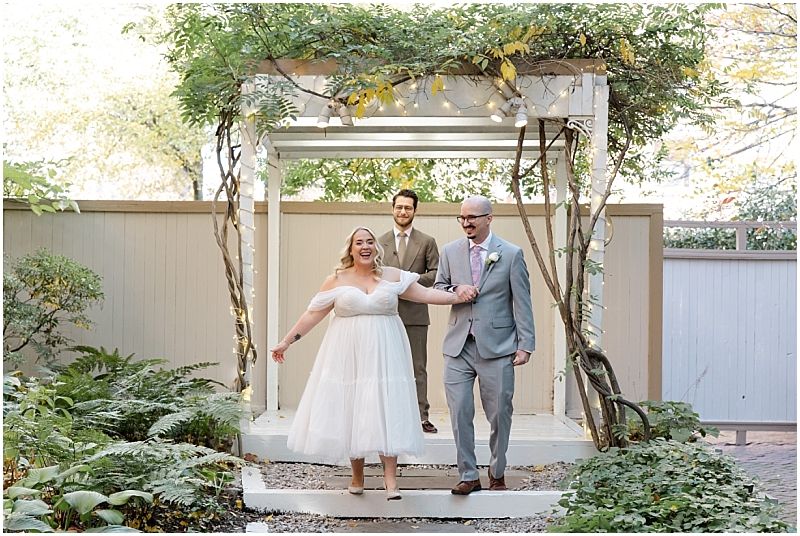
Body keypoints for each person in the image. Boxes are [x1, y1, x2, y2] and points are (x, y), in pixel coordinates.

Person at [270, 226, 477, 501]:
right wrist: (286, 341)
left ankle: (390, 480)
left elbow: (426, 295)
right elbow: (312, 314)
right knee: (353, 407)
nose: (365, 246)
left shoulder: (391, 275)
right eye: (359, 242)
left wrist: (458, 295)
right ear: (351, 249)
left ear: (376, 247)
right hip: (349, 353)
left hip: (386, 353)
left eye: (370, 242)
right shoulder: (336, 279)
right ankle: (357, 476)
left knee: (386, 408)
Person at [434, 196, 536, 495]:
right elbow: (439, 288)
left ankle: (497, 472)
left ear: (488, 218)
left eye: (472, 217)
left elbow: (522, 302)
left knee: (500, 413)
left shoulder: (512, 254)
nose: (466, 223)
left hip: (498, 347)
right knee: (459, 413)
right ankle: (469, 475)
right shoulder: (449, 251)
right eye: (462, 217)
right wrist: (456, 289)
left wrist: (525, 344)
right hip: (458, 346)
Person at [379, 189, 441, 434]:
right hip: (385, 313)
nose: (403, 212)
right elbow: (372, 273)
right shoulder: (379, 241)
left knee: (417, 367)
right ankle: (386, 416)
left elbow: (436, 274)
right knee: (384, 367)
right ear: (392, 209)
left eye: (407, 208)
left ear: (415, 211)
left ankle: (421, 416)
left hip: (415, 315)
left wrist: (408, 282)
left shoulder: (427, 241)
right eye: (399, 207)